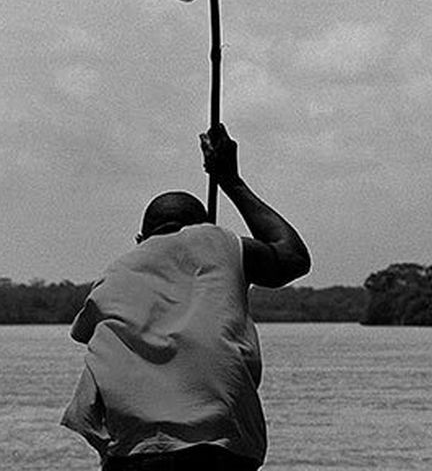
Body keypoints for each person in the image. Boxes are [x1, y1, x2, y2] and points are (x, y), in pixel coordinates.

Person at [62, 124, 311, 470]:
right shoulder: (219, 242)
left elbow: (83, 335)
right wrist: (231, 181)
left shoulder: (111, 277)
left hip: (134, 456)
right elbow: (293, 258)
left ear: (140, 240)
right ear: (201, 227)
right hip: (220, 452)